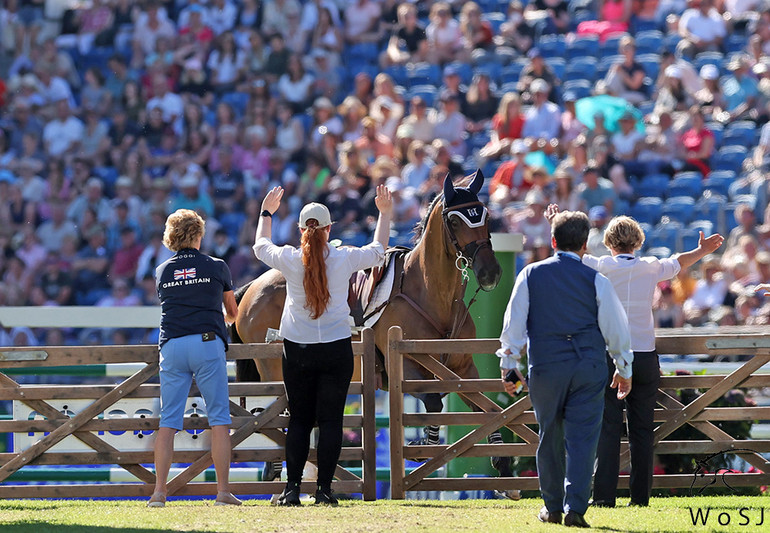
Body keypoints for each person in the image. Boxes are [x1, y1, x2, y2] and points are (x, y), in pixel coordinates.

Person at [545, 206, 724, 508]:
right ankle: (640, 499)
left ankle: (603, 498)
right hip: (643, 356)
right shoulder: (650, 266)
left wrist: (555, 222)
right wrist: (702, 250)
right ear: (637, 241)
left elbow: (568, 254)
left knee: (608, 429)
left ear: (610, 242)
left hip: (608, 357)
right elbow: (679, 262)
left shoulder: (599, 265)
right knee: (643, 431)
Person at [253, 184, 393, 505]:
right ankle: (325, 491)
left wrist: (266, 213)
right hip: (335, 347)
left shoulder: (290, 258)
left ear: (302, 229)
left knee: (300, 420)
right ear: (330, 229)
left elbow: (260, 246)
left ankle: (291, 490)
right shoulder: (343, 258)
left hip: (298, 350)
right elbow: (378, 250)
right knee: (331, 421)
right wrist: (384, 214)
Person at [497, 210, 633, 528]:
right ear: (585, 245)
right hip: (588, 366)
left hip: (546, 366)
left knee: (549, 436)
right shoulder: (597, 279)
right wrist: (623, 368)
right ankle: (576, 509)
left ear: (553, 241)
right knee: (583, 440)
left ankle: (553, 507)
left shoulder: (530, 275)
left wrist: (509, 367)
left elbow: (512, 326)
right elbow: (616, 329)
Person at [149, 209, 241, 508]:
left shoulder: (162, 270)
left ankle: (159, 493)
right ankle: (223, 492)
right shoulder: (217, 266)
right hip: (206, 343)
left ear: (171, 237)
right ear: (199, 235)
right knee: (218, 420)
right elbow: (233, 314)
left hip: (172, 345)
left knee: (168, 421)